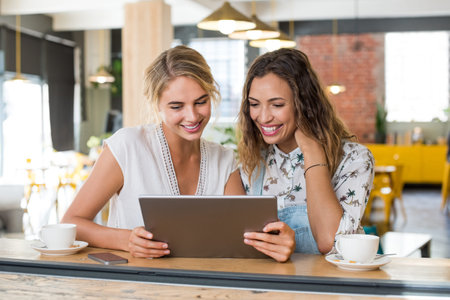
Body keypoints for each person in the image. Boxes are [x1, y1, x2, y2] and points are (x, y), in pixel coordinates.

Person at [62, 45, 245, 258]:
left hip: (204, 285)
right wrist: (126, 240)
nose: (192, 116)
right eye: (177, 107)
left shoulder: (224, 160)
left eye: (201, 102)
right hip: (135, 287)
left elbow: (239, 238)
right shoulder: (127, 146)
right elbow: (71, 223)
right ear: (156, 104)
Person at [238, 48, 374, 263]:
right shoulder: (249, 162)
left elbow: (331, 243)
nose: (263, 117)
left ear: (305, 104)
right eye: (254, 104)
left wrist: (311, 148)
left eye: (277, 105)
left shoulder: (354, 159)